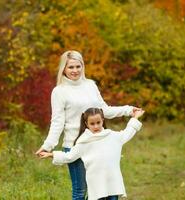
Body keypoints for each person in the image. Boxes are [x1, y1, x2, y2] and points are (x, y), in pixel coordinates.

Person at [35, 50, 141, 200]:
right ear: (64, 69)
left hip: (98, 144)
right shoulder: (59, 92)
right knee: (80, 191)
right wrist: (48, 145)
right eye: (71, 67)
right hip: (74, 144)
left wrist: (129, 110)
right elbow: (57, 122)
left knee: (103, 189)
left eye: (78, 66)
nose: (75, 70)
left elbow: (104, 110)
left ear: (82, 67)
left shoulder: (90, 85)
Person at [40, 107, 145, 200]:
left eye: (98, 122)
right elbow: (69, 156)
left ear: (102, 120)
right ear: (86, 124)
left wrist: (135, 117)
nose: (96, 126)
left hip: (112, 181)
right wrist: (51, 154)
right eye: (92, 124)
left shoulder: (112, 137)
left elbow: (128, 132)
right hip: (96, 185)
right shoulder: (84, 142)